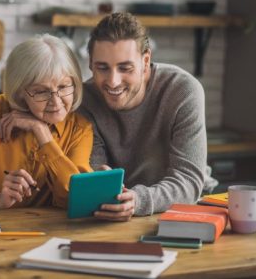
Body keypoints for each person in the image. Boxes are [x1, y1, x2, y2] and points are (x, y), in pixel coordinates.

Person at [78, 12, 217, 221]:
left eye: (125, 68)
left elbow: (188, 180)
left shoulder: (183, 90)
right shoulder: (85, 99)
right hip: (116, 209)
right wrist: (99, 177)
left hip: (184, 209)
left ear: (145, 61)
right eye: (102, 68)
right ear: (90, 64)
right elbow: (94, 170)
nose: (113, 81)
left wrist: (138, 200)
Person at [0, 34, 93, 210]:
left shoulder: (80, 129)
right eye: (41, 91)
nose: (56, 102)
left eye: (63, 86)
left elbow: (78, 198)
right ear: (20, 92)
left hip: (48, 235)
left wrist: (42, 133)